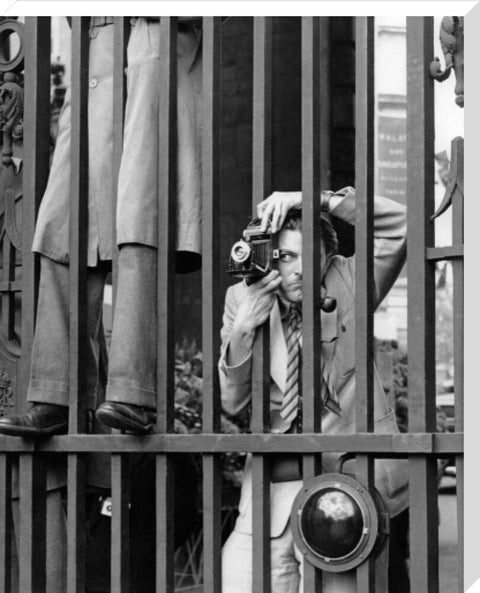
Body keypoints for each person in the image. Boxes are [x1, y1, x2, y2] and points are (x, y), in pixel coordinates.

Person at [0, 16, 203, 438]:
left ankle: (133, 393)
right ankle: (56, 397)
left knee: (138, 221)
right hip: (95, 68)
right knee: (62, 226)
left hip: (151, 52)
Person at [219, 187, 409, 593]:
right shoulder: (242, 297)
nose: (299, 269)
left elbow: (401, 227)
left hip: (348, 489)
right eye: (286, 256)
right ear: (268, 258)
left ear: (326, 257)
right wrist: (243, 330)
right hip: (270, 492)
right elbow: (232, 403)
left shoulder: (349, 280)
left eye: (309, 255)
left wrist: (311, 198)